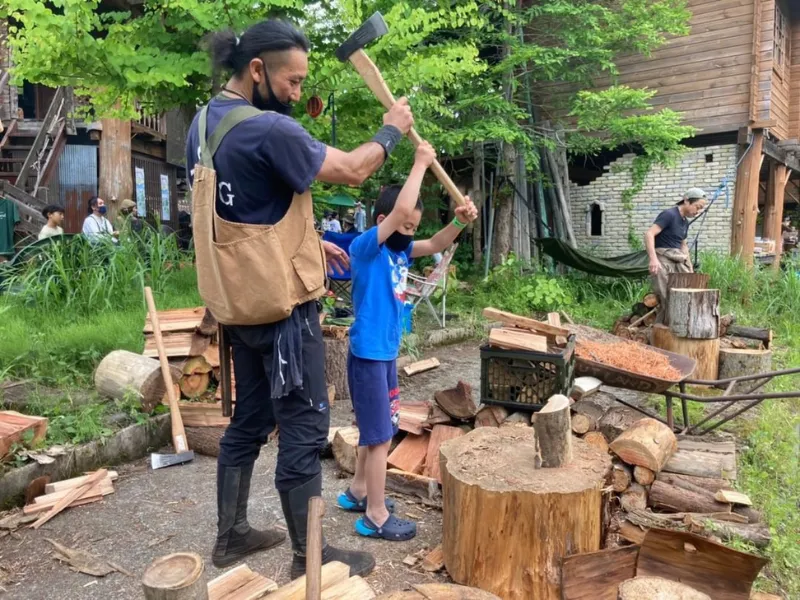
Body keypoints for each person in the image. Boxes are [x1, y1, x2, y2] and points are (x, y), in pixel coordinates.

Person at [185, 19, 413, 578]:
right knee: (307, 428)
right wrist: (391, 130)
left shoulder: (203, 123)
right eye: (291, 81)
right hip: (285, 313)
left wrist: (308, 242)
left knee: (249, 419)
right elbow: (356, 169)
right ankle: (307, 557)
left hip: (239, 305)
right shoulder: (269, 130)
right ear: (257, 70)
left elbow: (245, 209)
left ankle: (232, 535)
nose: (296, 93)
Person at [338, 142, 478, 541]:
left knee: (375, 428)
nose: (409, 232)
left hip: (383, 355)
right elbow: (401, 211)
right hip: (367, 354)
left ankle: (359, 492)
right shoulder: (368, 247)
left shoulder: (399, 254)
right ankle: (376, 516)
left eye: (413, 227)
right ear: (384, 220)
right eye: (405, 225)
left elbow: (436, 244)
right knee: (380, 435)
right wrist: (420, 163)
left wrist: (460, 221)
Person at [644, 187, 707, 322]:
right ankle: (664, 329)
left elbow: (683, 245)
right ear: (686, 201)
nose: (698, 211)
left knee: (684, 294)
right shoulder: (669, 215)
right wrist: (653, 260)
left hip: (678, 259)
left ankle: (683, 324)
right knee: (666, 297)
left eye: (701, 208)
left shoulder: (685, 222)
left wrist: (689, 267)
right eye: (697, 207)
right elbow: (649, 234)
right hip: (663, 259)